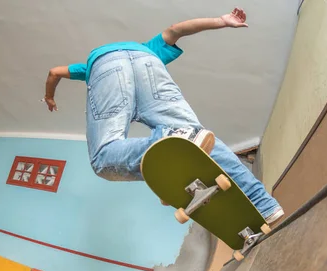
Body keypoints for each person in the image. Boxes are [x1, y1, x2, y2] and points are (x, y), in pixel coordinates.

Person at [43, 8, 284, 224]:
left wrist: (50, 97)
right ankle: (265, 205)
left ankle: (169, 141)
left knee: (103, 158)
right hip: (148, 63)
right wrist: (221, 21)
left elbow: (54, 72)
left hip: (104, 68)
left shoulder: (88, 67)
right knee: (199, 138)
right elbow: (176, 30)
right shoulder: (148, 48)